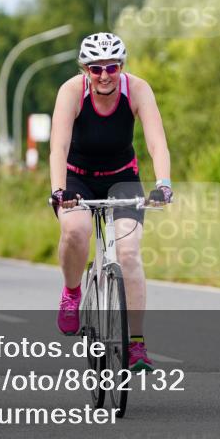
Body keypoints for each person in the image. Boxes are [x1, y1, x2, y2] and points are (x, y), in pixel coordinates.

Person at [49, 33, 173, 371]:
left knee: (129, 252)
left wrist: (163, 184)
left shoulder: (138, 89)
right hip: (77, 179)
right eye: (96, 68)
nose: (104, 75)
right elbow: (58, 147)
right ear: (85, 69)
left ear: (121, 67)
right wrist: (59, 190)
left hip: (122, 178)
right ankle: (72, 292)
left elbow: (157, 143)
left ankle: (136, 345)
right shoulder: (71, 92)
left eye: (112, 67)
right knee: (76, 230)